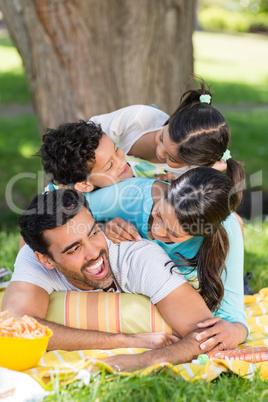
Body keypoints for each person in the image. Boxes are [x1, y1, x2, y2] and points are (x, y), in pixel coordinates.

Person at [3, 188, 223, 357]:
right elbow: (14, 326)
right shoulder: (34, 261)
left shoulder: (138, 258)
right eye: (74, 249)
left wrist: (148, 360)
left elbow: (207, 335)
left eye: (94, 233)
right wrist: (127, 341)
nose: (94, 253)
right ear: (45, 259)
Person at [85, 167, 249, 350]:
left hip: (169, 306)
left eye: (173, 234)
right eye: (159, 214)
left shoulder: (227, 231)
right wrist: (101, 227)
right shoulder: (131, 195)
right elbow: (60, 210)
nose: (157, 231)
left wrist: (235, 332)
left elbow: (232, 314)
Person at [89, 83, 245, 195]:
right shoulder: (139, 118)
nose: (159, 152)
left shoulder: (188, 172)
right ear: (172, 119)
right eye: (161, 138)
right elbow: (86, 136)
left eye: (171, 158)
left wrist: (174, 185)